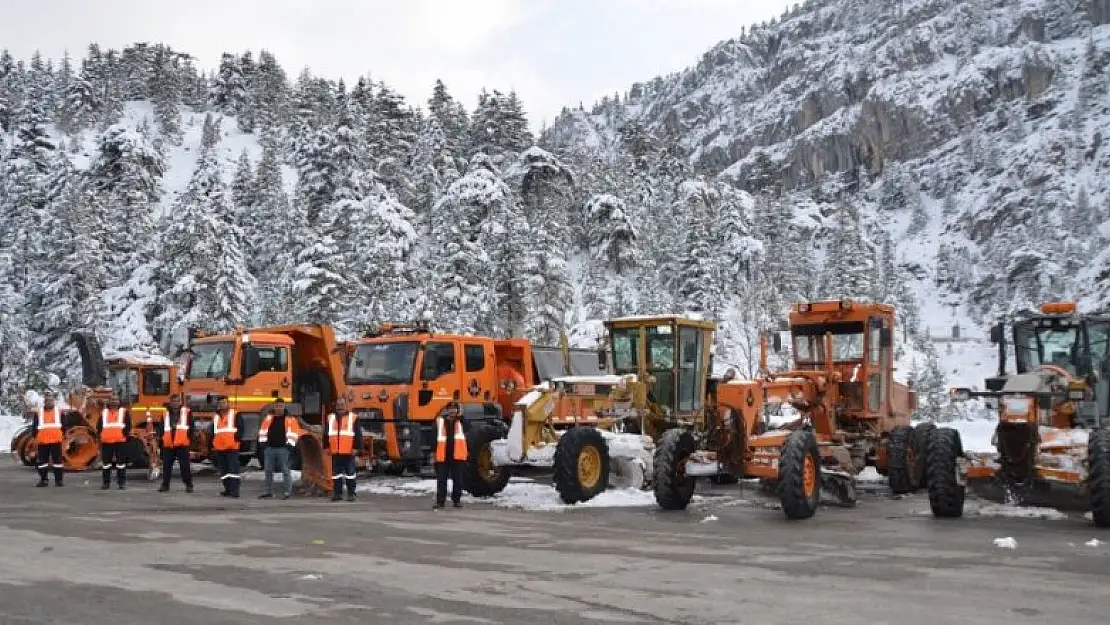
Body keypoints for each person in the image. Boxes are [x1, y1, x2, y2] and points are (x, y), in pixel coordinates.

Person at [258, 397, 301, 500]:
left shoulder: (290, 419)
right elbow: (262, 431)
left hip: (283, 449)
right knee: (268, 471)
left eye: (281, 406)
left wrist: (289, 446)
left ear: (284, 406)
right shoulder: (268, 418)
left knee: (285, 471)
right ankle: (268, 491)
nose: (279, 408)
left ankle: (287, 492)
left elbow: (295, 433)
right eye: (277, 406)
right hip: (269, 449)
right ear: (274, 406)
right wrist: (263, 445)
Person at [323, 397, 362, 502]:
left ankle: (351, 493)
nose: (340, 406)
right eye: (338, 404)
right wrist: (326, 446)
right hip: (335, 451)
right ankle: (337, 494)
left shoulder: (353, 417)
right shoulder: (330, 418)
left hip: (349, 451)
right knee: (336, 475)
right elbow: (326, 434)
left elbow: (358, 434)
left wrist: (356, 448)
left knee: (350, 474)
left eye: (342, 404)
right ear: (336, 406)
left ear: (346, 405)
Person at [156, 394, 194, 493]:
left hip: (182, 444)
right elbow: (161, 427)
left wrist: (187, 439)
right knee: (166, 466)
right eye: (173, 401)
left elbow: (191, 427)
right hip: (168, 444)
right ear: (170, 402)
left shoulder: (187, 412)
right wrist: (160, 439)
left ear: (180, 402)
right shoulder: (165, 413)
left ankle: (189, 485)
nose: (175, 403)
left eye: (177, 401)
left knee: (185, 466)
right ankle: (165, 485)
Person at [433, 403, 468, 509]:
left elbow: (469, 430)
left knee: (458, 480)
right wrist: (432, 452)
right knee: (442, 480)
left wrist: (461, 417)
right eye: (450, 409)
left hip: (457, 456)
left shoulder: (461, 422)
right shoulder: (439, 422)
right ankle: (440, 502)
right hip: (442, 456)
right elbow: (433, 437)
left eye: (454, 409)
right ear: (446, 410)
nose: (452, 411)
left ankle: (456, 501)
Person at [31, 391, 65, 487]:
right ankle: (43, 480)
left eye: (50, 400)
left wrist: (61, 435)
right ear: (44, 402)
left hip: (56, 441)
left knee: (57, 462)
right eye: (47, 401)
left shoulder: (59, 412)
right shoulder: (39, 413)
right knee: (42, 463)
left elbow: (64, 426)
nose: (49, 402)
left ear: (53, 401)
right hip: (43, 442)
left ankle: (59, 481)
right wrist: (35, 438)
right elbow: (35, 427)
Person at [211, 396, 244, 498]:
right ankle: (228, 489)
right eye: (220, 403)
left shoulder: (235, 413)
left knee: (233, 470)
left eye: (224, 402)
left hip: (231, 446)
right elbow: (214, 431)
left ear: (228, 403)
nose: (222, 404)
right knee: (224, 470)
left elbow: (241, 428)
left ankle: (235, 491)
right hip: (220, 447)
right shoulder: (216, 416)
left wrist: (236, 439)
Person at [98, 396, 131, 490]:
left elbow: (128, 425)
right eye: (112, 399)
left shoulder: (124, 412)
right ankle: (106, 483)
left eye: (116, 399)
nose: (114, 401)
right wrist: (102, 435)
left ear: (119, 401)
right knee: (106, 464)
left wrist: (124, 435)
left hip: (120, 441)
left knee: (121, 464)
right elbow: (99, 426)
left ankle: (121, 483)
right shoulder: (104, 412)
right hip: (106, 442)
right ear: (109, 401)